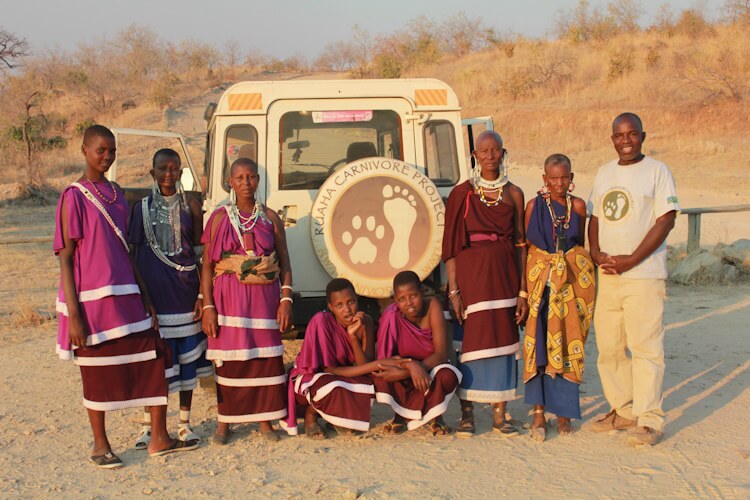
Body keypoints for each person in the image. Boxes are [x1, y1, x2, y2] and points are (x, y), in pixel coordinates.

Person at [55, 125, 198, 469]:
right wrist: (74, 315)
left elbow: (127, 251)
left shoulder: (118, 195)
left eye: (111, 151)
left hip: (128, 295)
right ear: (85, 150)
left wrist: (146, 295)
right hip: (92, 300)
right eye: (100, 150)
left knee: (153, 360)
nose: (106, 157)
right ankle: (100, 444)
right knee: (96, 369)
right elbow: (66, 255)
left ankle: (159, 437)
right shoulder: (73, 195)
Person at [586, 113, 679, 447]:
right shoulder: (604, 172)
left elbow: (665, 221)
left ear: (643, 136)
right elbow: (595, 216)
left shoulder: (658, 171)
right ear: (612, 138)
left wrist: (632, 260)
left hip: (643, 274)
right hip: (609, 275)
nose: (625, 140)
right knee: (609, 347)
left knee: (646, 347)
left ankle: (650, 417)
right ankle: (623, 409)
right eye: (619, 135)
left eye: (632, 134)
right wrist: (596, 252)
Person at [442, 130, 529, 437]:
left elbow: (521, 245)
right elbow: (451, 248)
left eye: (496, 150)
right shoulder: (461, 194)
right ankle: (467, 415)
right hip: (471, 280)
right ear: (475, 156)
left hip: (505, 280)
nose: (490, 155)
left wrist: (522, 291)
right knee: (468, 346)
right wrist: (453, 291)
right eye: (484, 151)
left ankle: (500, 414)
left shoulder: (514, 194)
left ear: (503, 154)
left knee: (503, 345)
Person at [201, 157, 293, 444]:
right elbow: (206, 264)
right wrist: (207, 306)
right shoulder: (218, 218)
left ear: (258, 180)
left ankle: (266, 420)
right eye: (239, 178)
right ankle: (225, 422)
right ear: (230, 182)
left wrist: (286, 298)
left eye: (251, 177)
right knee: (230, 362)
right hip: (228, 304)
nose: (245, 183)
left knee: (264, 360)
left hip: (264, 303)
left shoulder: (270, 217)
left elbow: (285, 263)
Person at [128, 148, 212, 449]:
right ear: (153, 172)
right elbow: (134, 254)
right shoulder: (140, 208)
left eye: (174, 169)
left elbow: (202, 256)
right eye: (162, 168)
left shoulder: (191, 204)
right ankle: (151, 429)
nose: (168, 174)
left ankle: (185, 424)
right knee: (155, 366)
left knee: (187, 362)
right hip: (155, 300)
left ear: (180, 173)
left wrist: (203, 295)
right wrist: (141, 297)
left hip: (185, 296)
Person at [522, 154, 595, 442]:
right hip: (541, 287)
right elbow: (528, 248)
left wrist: (568, 267)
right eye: (553, 178)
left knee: (567, 347)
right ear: (544, 179)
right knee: (540, 347)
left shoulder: (577, 206)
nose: (559, 183)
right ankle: (539, 412)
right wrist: (528, 287)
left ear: (571, 177)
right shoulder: (533, 206)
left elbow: (582, 249)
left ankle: (563, 412)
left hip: (569, 290)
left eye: (564, 177)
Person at [283, 278, 397, 439]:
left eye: (351, 302)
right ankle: (311, 415)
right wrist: (378, 364)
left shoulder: (366, 322)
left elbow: (364, 367)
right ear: (330, 307)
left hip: (343, 376)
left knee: (369, 383)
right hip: (313, 378)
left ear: (357, 300)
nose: (347, 310)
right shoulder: (321, 321)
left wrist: (353, 337)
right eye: (339, 305)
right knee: (332, 384)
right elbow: (330, 369)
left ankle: (335, 419)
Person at [373, 271, 461, 435]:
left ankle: (436, 416)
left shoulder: (433, 306)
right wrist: (410, 367)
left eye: (413, 295)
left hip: (431, 368)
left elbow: (441, 353)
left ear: (423, 292)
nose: (409, 303)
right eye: (402, 299)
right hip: (405, 370)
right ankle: (400, 415)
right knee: (384, 378)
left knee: (448, 375)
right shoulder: (392, 315)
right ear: (395, 301)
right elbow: (385, 360)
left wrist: (418, 368)